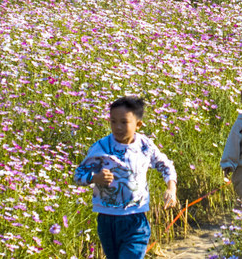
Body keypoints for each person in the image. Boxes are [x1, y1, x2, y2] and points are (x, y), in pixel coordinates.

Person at [74, 96, 177, 259]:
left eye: (124, 122)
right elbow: (78, 175)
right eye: (113, 121)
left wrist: (171, 188)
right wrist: (95, 178)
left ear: (138, 124)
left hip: (135, 218)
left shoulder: (145, 146)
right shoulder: (101, 147)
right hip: (107, 219)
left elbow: (165, 165)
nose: (118, 127)